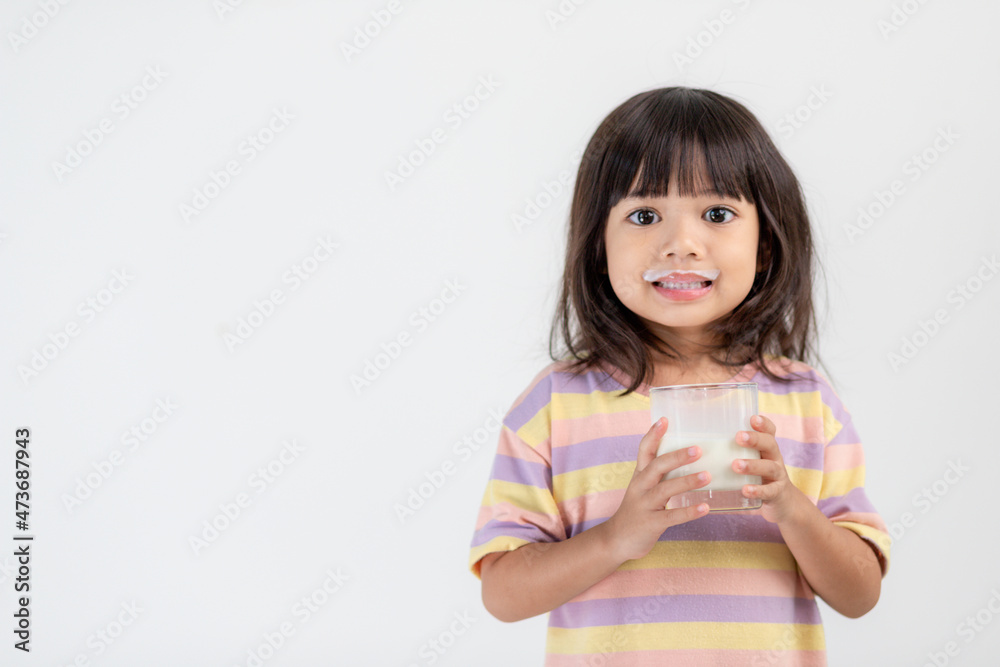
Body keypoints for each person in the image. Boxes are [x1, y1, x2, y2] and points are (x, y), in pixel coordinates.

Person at [467, 86, 891, 666]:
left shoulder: (806, 402)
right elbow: (504, 594)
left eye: (718, 214)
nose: (681, 245)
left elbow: (860, 593)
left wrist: (792, 508)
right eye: (644, 215)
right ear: (598, 246)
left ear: (765, 243)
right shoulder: (555, 406)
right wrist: (618, 537)